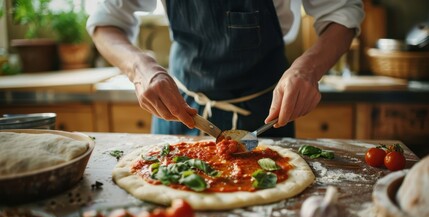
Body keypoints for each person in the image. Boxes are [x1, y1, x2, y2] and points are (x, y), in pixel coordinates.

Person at [87, 0, 364, 137]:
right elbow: (105, 23)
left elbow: (342, 13)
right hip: (178, 110)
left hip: (266, 114)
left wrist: (308, 69)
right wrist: (141, 68)